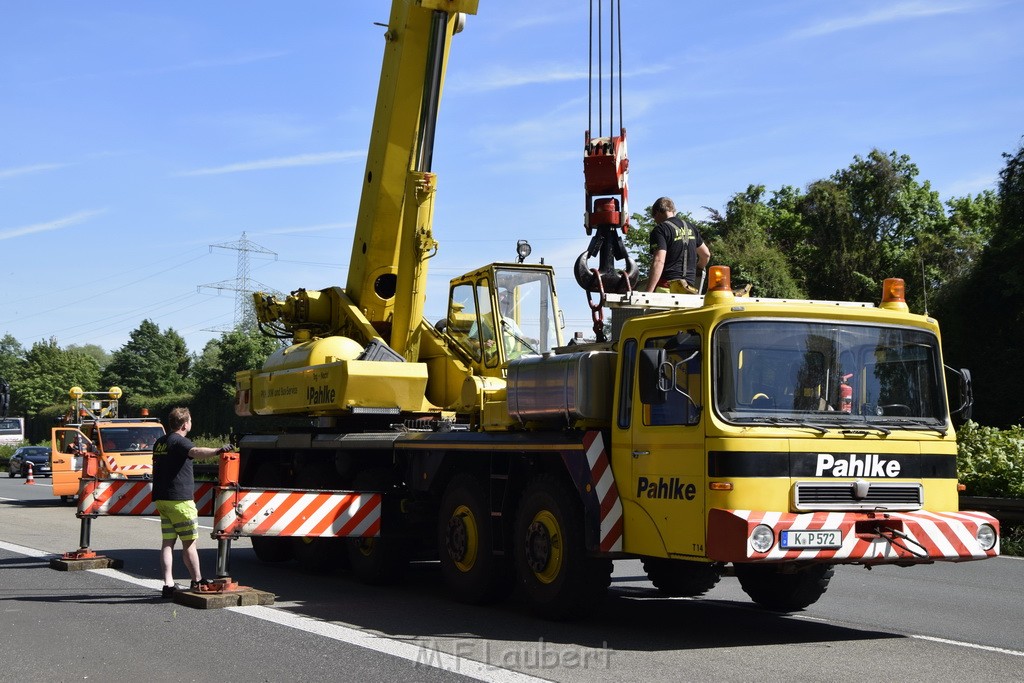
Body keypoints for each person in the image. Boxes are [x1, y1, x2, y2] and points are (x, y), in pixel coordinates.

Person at [152, 407, 230, 598]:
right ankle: (197, 580)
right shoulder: (181, 441)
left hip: (162, 499)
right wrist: (218, 450)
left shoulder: (160, 442)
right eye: (190, 421)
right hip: (180, 501)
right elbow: (195, 451)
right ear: (185, 423)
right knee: (189, 544)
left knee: (167, 543)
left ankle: (168, 584)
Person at [644, 196, 711, 294]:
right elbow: (706, 255)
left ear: (657, 212)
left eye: (654, 217)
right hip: (689, 289)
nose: (655, 221)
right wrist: (698, 268)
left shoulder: (660, 229)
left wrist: (648, 293)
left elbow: (659, 261)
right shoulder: (691, 228)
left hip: (667, 287)